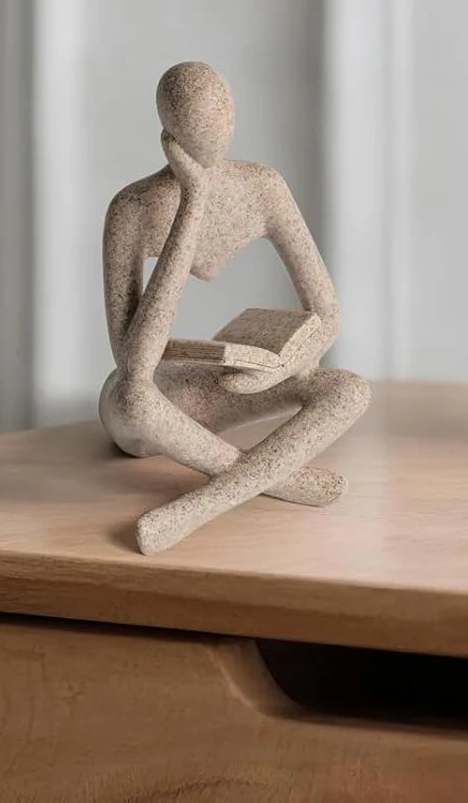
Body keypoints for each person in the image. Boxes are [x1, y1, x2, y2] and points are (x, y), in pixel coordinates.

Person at [99, 61, 370, 553]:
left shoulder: (263, 186)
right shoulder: (133, 208)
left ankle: (199, 506)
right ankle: (279, 481)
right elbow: (133, 362)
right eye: (197, 126)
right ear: (169, 131)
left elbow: (327, 312)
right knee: (131, 395)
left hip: (229, 386)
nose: (214, 135)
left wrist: (280, 366)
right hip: (154, 408)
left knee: (348, 390)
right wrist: (192, 202)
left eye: (222, 120)